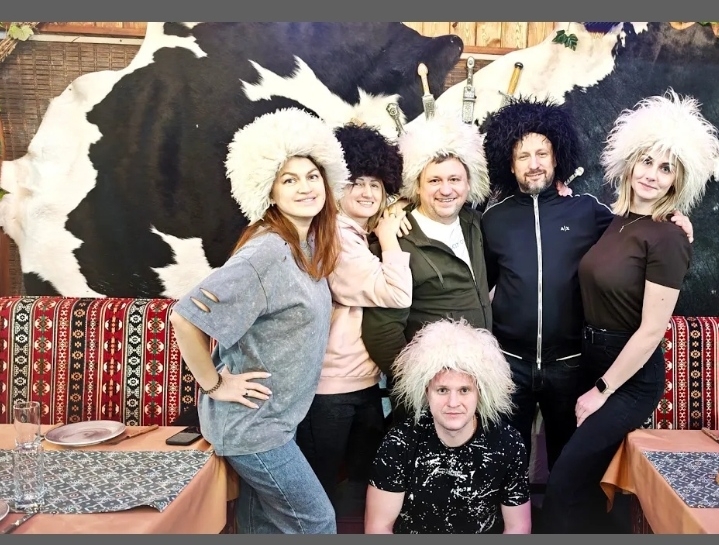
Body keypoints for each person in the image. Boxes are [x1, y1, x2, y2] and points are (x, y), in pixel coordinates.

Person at [540, 89, 719, 533]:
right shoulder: (616, 221)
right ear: (629, 164)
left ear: (677, 181)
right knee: (595, 485)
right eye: (647, 161)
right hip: (592, 361)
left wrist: (601, 390)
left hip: (628, 378)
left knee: (565, 482)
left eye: (666, 168)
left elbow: (650, 332)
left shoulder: (668, 237)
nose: (652, 174)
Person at [479, 97, 694, 481]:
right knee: (506, 465)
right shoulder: (493, 220)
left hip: (571, 365)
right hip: (510, 365)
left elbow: (635, 231)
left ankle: (561, 516)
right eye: (523, 155)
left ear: (557, 157)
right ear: (510, 164)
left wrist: (676, 218)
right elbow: (486, 285)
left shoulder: (587, 211)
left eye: (542, 153)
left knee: (568, 467)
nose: (534, 163)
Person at [169, 107, 350, 534]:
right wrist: (215, 384)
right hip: (252, 428)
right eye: (289, 179)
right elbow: (184, 318)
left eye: (312, 176)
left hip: (276, 422)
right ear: (269, 191)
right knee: (317, 522)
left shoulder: (306, 245)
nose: (305, 187)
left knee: (261, 528)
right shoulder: (266, 252)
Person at [295, 122, 409, 520]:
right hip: (331, 390)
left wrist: (394, 209)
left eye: (376, 185)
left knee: (359, 487)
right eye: (356, 182)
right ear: (336, 186)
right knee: (323, 490)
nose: (366, 192)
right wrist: (389, 235)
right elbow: (396, 293)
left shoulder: (356, 232)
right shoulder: (339, 237)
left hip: (361, 382)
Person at [361, 112, 492, 422]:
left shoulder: (475, 224)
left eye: (454, 179)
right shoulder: (396, 241)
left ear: (468, 184)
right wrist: (423, 387)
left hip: (474, 387)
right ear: (417, 186)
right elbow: (381, 331)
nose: (446, 190)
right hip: (428, 397)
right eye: (434, 180)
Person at [364, 318, 531, 534]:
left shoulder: (508, 443)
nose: (453, 403)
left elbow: (518, 527)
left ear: (480, 393)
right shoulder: (400, 443)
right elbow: (378, 527)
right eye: (442, 390)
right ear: (426, 392)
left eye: (464, 390)